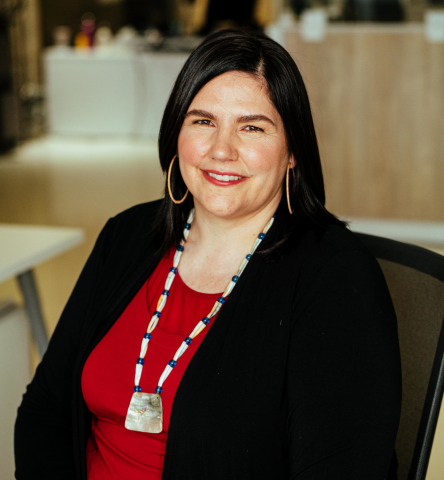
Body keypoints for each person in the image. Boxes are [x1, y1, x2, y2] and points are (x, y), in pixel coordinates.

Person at [15, 29, 402, 479]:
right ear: (175, 133)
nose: (222, 150)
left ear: (293, 150)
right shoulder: (128, 235)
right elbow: (46, 408)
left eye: (252, 127)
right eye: (203, 121)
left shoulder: (336, 280)